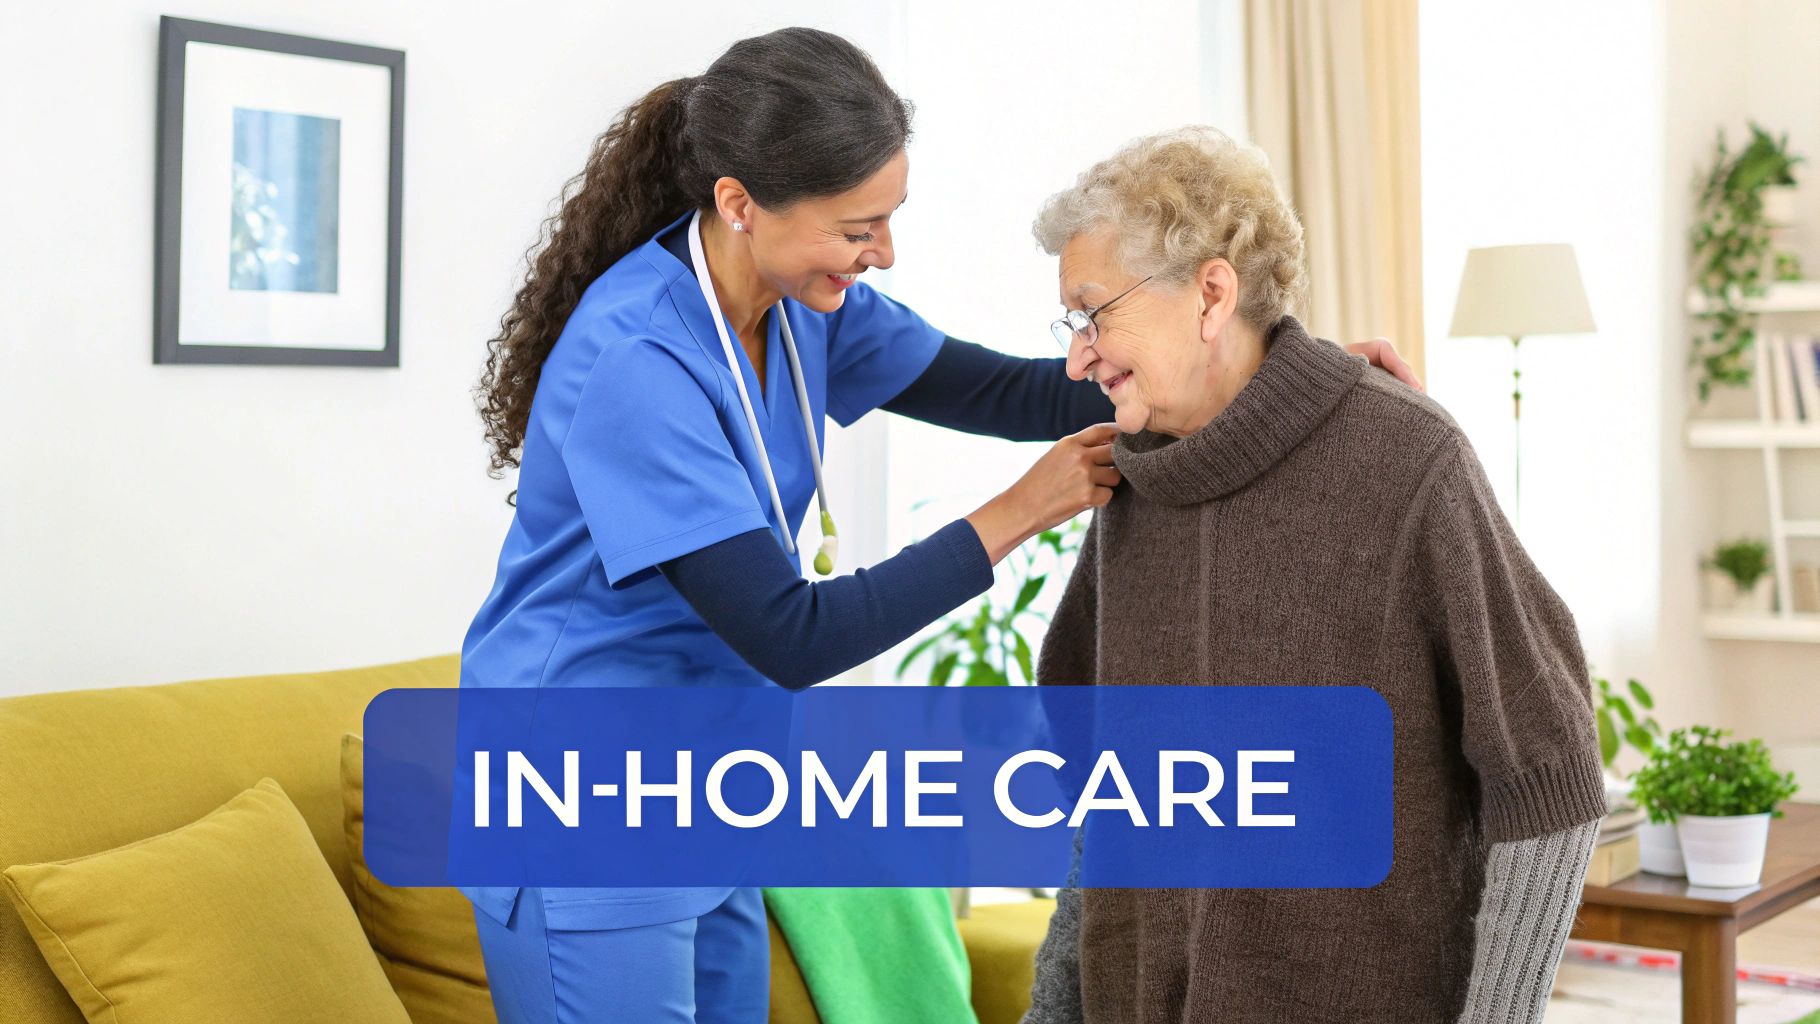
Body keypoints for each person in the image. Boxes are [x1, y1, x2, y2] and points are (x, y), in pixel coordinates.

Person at [463, 29, 1421, 1024]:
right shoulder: (635, 362)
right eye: (856, 227)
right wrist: (1023, 508)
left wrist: (1254, 367)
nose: (881, 252)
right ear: (739, 204)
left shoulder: (805, 306)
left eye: (887, 217)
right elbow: (791, 634)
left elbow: (1004, 388)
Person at [1020, 126, 1606, 1024]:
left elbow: (1549, 774)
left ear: (1212, 294)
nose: (1077, 355)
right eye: (1072, 322)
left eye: (1095, 313)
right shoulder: (1132, 488)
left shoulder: (1408, 460)